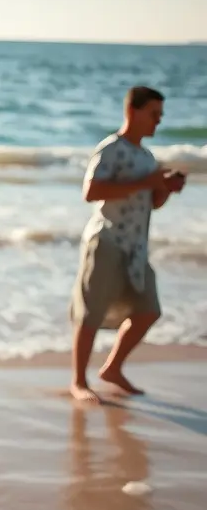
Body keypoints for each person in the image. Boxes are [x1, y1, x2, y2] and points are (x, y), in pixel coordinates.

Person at [68, 86, 186, 404]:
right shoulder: (111, 148)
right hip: (106, 239)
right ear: (133, 111)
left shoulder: (147, 157)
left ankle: (113, 368)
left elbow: (152, 202)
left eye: (161, 116)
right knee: (90, 312)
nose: (158, 122)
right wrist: (147, 182)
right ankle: (78, 382)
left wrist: (166, 188)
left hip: (136, 247)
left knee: (149, 310)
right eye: (153, 114)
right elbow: (91, 191)